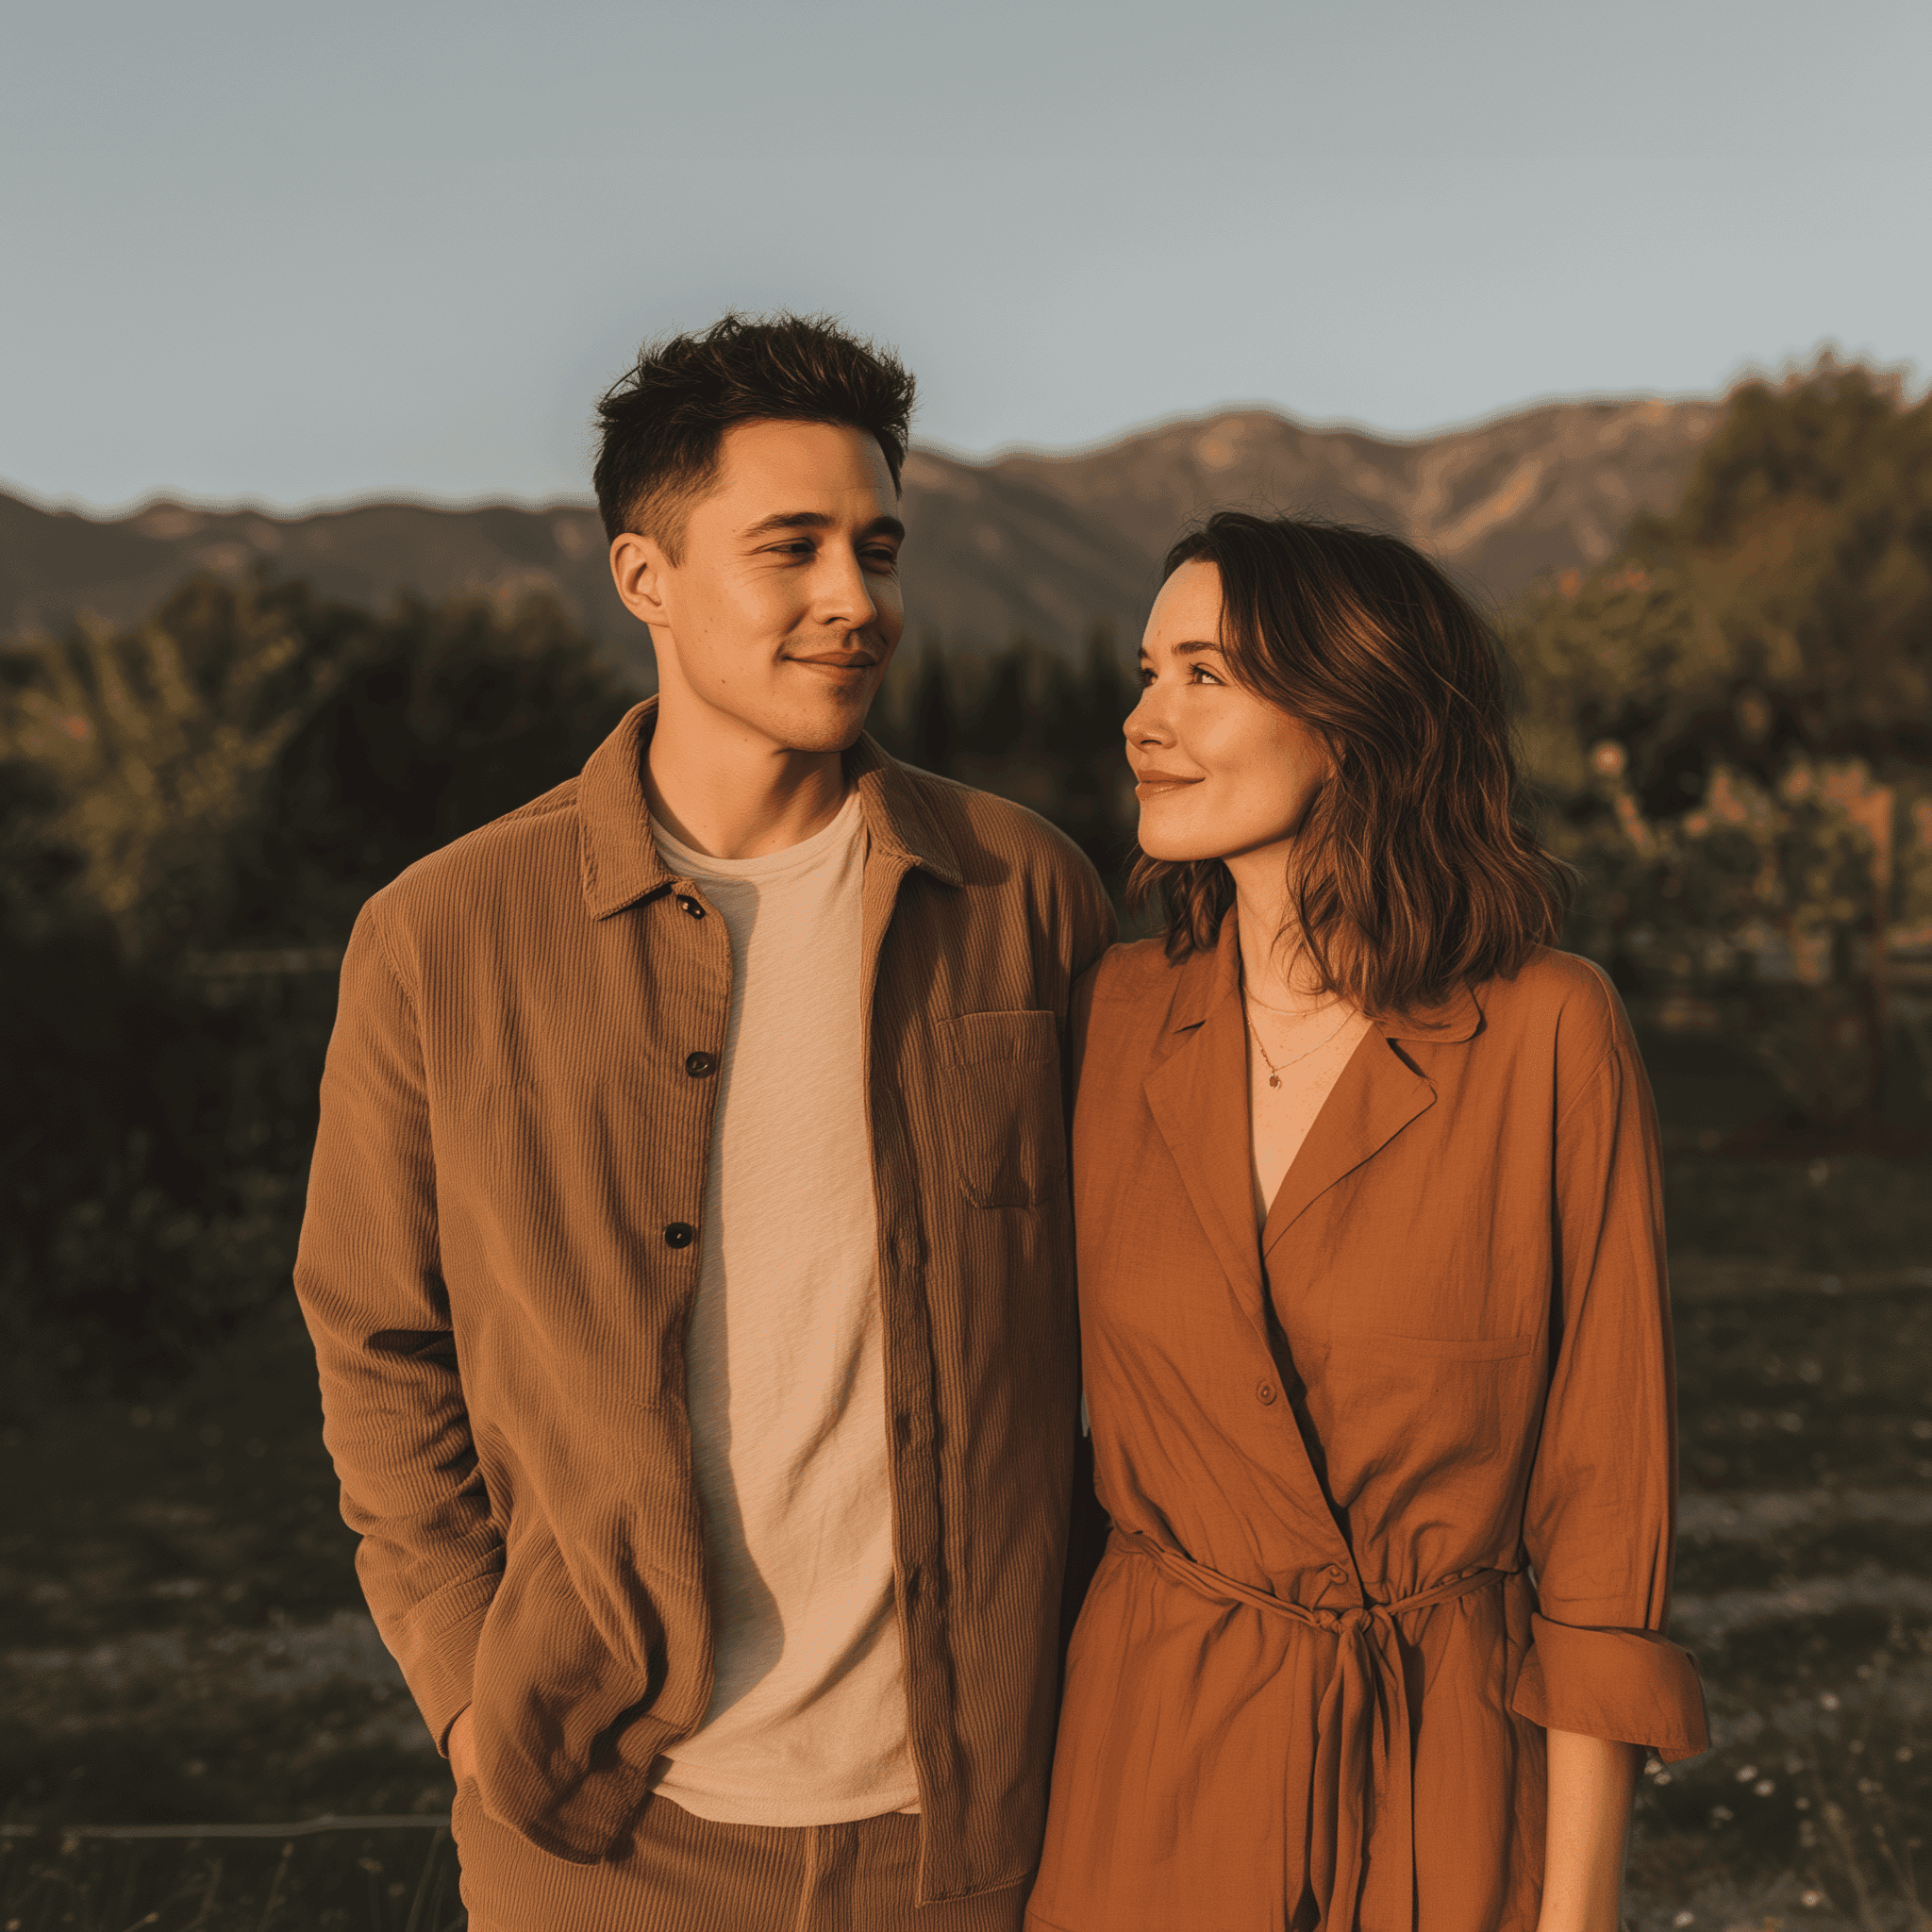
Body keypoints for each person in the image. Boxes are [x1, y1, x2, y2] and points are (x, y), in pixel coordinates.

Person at [294, 312, 1115, 1932]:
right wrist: (470, 1698)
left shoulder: (1026, 896)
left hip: (973, 1821)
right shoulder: (442, 935)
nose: (854, 600)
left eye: (878, 549)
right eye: (791, 547)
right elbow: (377, 1346)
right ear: (643, 578)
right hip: (608, 1838)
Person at [1025, 512, 1708, 1932]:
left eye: (1204, 675)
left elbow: (1605, 1505)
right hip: (1149, 1767)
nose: (1147, 720)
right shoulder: (1110, 1016)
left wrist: (1571, 1914)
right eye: (1145, 673)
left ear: (1353, 714)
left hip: (1447, 1769)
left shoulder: (1548, 1032)